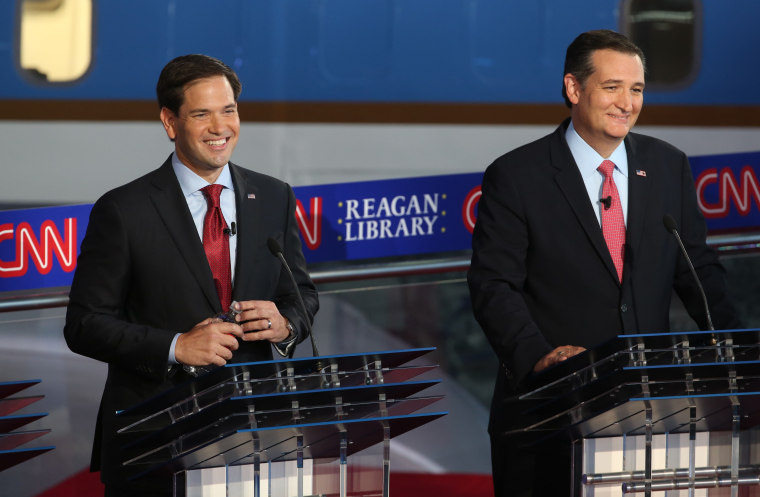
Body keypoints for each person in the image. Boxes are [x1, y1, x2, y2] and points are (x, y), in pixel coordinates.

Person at [467, 30, 741, 497]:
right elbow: (493, 286)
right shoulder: (517, 175)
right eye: (612, 87)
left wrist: (738, 345)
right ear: (574, 89)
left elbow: (698, 269)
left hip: (649, 413)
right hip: (549, 414)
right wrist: (539, 357)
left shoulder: (668, 166)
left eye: (636, 90)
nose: (627, 103)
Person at [64, 54, 319, 497]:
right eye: (202, 114)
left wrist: (285, 325)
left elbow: (302, 295)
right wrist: (177, 346)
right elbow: (84, 326)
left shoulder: (273, 196)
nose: (220, 127)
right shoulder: (124, 210)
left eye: (230, 110)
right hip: (155, 441)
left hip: (253, 437)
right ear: (170, 122)